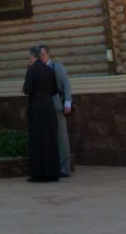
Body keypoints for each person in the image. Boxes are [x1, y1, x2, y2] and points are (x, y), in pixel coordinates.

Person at [23, 45, 60, 182]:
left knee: (38, 139)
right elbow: (55, 90)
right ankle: (52, 172)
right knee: (50, 138)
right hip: (48, 105)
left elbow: (27, 89)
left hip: (37, 106)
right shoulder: (49, 70)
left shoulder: (32, 70)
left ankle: (39, 174)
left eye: (29, 57)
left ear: (33, 56)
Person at [39, 42, 72, 177]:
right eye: (39, 55)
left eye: (42, 54)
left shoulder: (56, 67)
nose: (41, 57)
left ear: (48, 54)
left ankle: (64, 169)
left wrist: (68, 103)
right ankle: (52, 166)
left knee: (62, 137)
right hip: (44, 108)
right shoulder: (38, 70)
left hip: (58, 106)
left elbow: (66, 84)